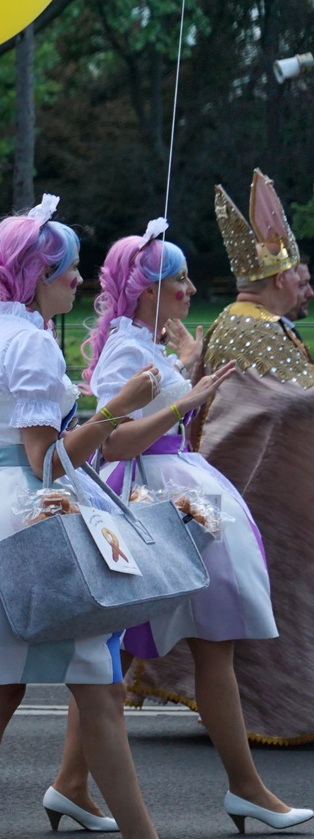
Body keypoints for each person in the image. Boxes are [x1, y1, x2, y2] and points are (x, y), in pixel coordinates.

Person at [0, 197, 220, 839]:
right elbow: (47, 461)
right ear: (40, 276)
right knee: (95, 688)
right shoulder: (34, 343)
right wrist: (111, 408)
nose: (78, 282)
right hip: (29, 515)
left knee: (8, 692)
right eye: (68, 271)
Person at [49, 221, 307, 834]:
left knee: (176, 646)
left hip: (175, 485)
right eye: (179, 279)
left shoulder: (147, 343)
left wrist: (186, 370)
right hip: (145, 498)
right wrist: (185, 400)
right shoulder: (124, 349)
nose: (191, 289)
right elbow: (115, 444)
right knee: (117, 655)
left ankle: (74, 783)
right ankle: (240, 788)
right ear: (145, 289)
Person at [128, 170, 314, 747]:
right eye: (302, 277)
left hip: (248, 490)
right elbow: (293, 401)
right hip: (256, 498)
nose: (307, 287)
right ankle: (266, 716)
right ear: (280, 276)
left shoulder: (255, 324)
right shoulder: (250, 325)